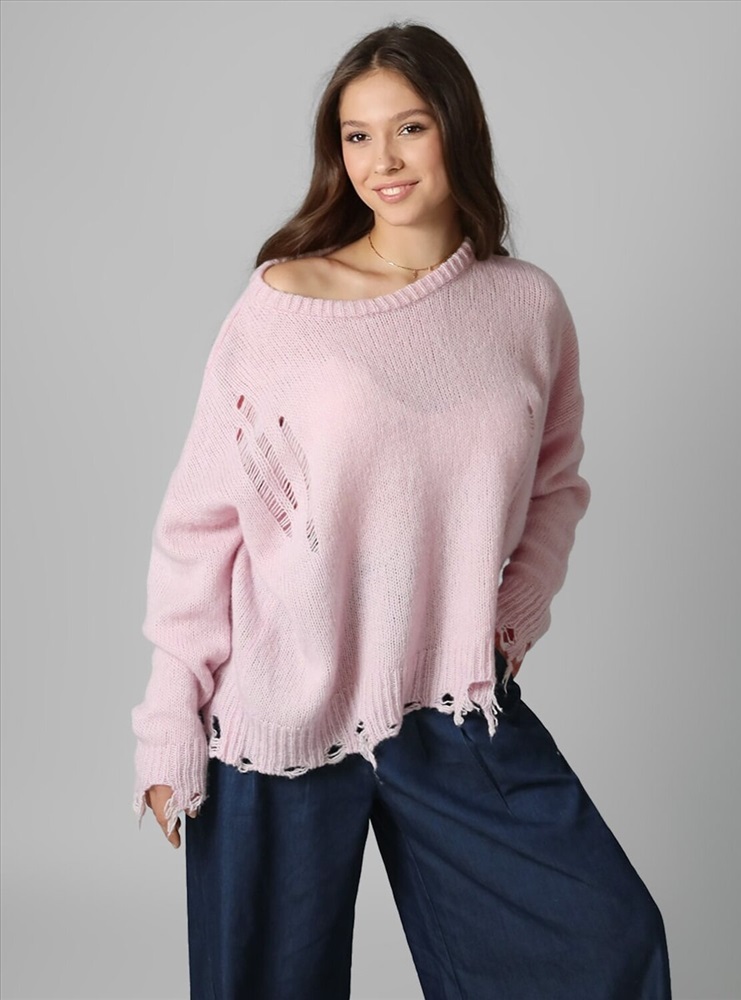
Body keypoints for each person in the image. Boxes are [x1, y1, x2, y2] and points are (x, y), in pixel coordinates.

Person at [131, 20, 672, 1000]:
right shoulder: (284, 302)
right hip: (281, 712)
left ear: (457, 128)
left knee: (607, 941)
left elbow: (557, 482)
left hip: (450, 704)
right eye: (357, 135)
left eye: (409, 127)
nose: (382, 159)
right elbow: (198, 529)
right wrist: (169, 721)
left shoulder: (527, 306)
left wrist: (510, 615)